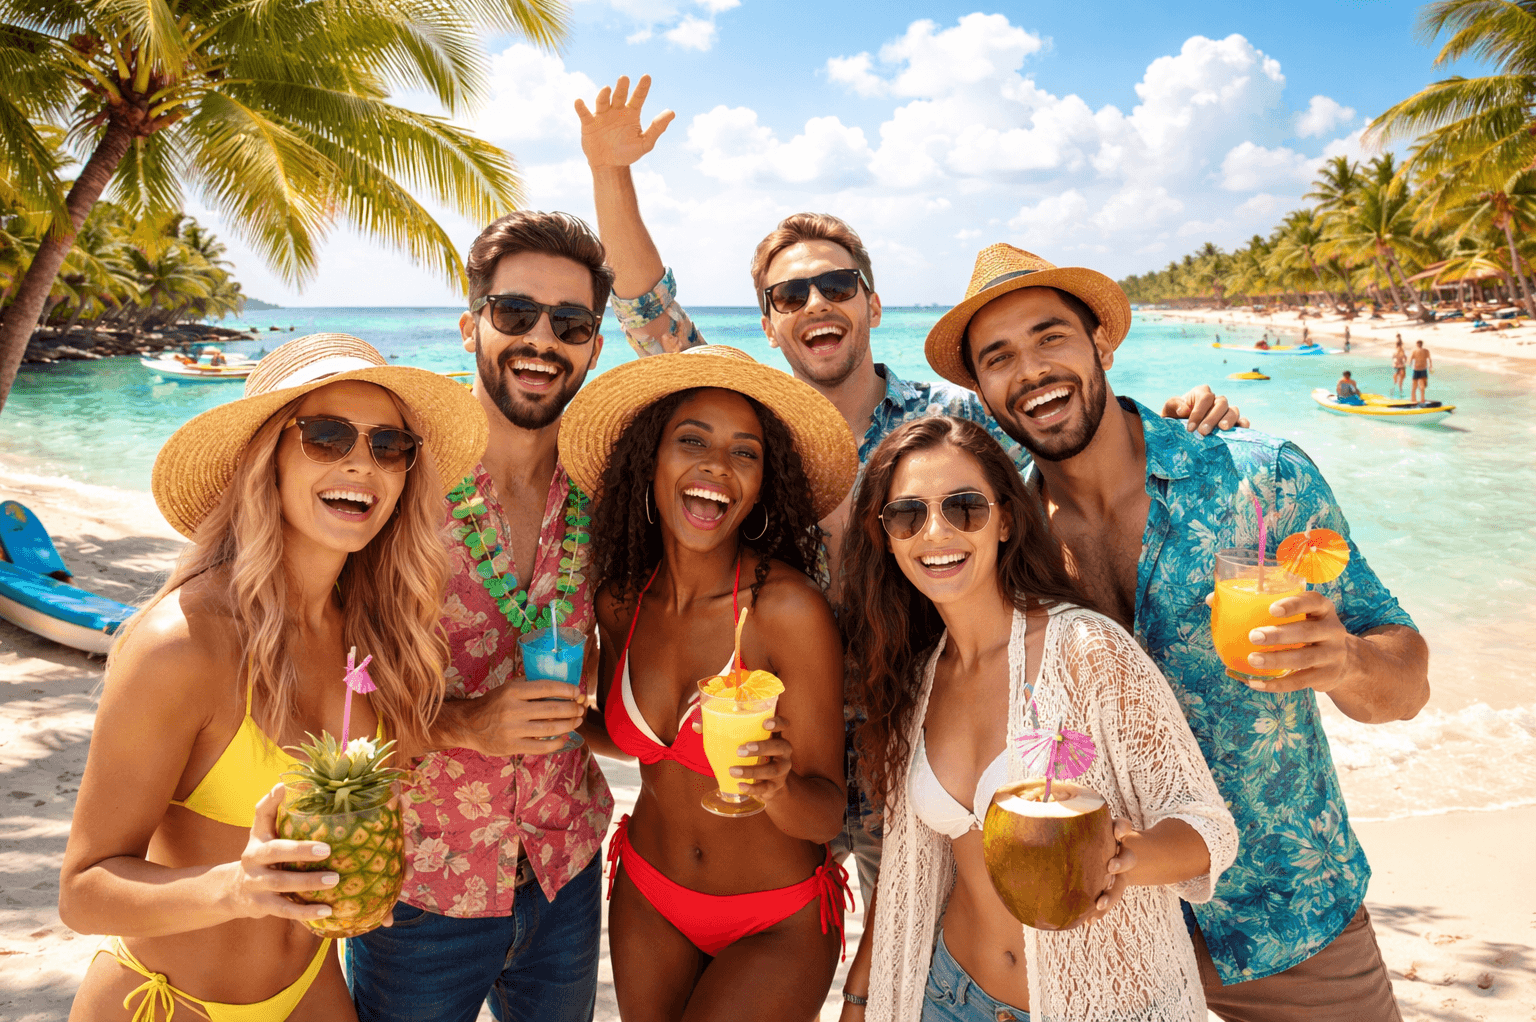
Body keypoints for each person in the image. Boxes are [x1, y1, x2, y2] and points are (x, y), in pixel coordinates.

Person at [576, 73, 1246, 920]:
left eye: (837, 284)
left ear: (870, 303)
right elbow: (648, 313)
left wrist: (1172, 420)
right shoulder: (754, 435)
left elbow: (1057, 421)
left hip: (931, 755)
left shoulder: (954, 424)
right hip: (788, 762)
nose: (815, 301)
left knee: (955, 954)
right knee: (858, 962)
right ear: (772, 324)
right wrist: (611, 172)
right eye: (790, 295)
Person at [926, 243, 1429, 1021]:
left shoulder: (1256, 479)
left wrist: (1347, 660)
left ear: (1102, 343)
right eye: (999, 357)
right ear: (982, 391)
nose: (1029, 369)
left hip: (1285, 919)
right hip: (1106, 935)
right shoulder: (1004, 545)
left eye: (1049, 337)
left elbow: (1406, 685)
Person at [59, 333, 487, 1022]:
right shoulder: (185, 643)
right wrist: (235, 887)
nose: (361, 463)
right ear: (268, 457)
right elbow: (82, 891)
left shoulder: (377, 638)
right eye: (326, 436)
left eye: (389, 446)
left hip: (311, 994)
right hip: (166, 1006)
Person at [838, 416, 1238, 1021]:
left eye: (964, 507)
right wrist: (860, 999)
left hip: (1101, 1005)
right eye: (907, 515)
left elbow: (1207, 829)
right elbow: (906, 874)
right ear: (887, 538)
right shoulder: (915, 681)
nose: (936, 531)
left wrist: (1126, 861)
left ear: (1004, 519)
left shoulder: (1087, 651)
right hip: (945, 997)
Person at [346, 212, 616, 1022]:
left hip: (567, 864)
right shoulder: (393, 484)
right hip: (422, 885)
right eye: (514, 314)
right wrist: (464, 723)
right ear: (471, 327)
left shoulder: (602, 488)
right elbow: (317, 697)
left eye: (570, 323)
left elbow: (610, 644)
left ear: (594, 347)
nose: (542, 339)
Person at [560, 346, 857, 1019]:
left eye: (744, 452)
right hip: (648, 894)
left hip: (774, 919)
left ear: (761, 483)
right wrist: (567, 720)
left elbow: (828, 811)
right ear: (651, 460)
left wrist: (776, 789)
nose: (716, 466)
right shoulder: (620, 601)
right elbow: (636, 739)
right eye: (691, 440)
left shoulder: (788, 613)